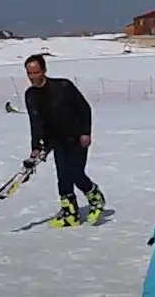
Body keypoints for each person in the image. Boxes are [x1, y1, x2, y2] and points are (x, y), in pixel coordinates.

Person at [23, 54, 106, 228]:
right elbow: (36, 122)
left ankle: (96, 199)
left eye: (36, 72)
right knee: (63, 177)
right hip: (56, 140)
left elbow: (84, 108)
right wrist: (36, 147)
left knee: (76, 173)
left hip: (76, 137)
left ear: (44, 70)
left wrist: (86, 132)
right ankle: (70, 213)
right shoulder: (31, 95)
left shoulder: (63, 86)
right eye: (29, 73)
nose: (32, 77)